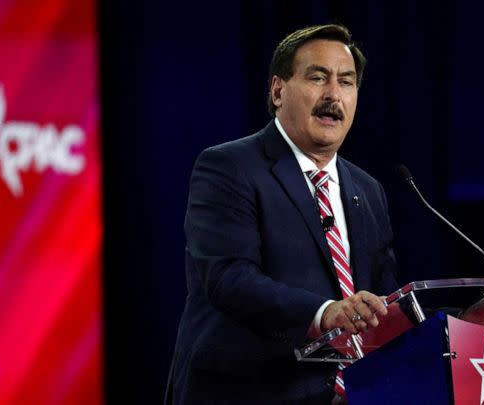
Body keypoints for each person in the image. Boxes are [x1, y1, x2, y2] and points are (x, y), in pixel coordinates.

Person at [166, 24, 399, 404]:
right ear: (278, 90)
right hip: (247, 392)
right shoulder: (229, 166)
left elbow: (382, 299)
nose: (333, 96)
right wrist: (325, 313)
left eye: (346, 82)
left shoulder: (368, 190)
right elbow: (229, 278)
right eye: (317, 77)